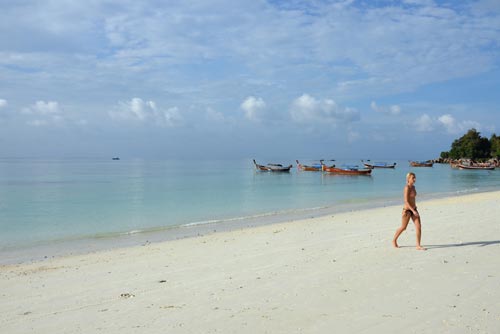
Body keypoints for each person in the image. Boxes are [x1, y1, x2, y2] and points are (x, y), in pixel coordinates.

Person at [392, 172, 426, 250]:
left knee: (419, 227)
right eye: (413, 178)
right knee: (403, 227)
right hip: (407, 210)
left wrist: (414, 209)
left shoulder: (413, 187)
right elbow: (406, 201)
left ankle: (418, 245)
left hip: (414, 209)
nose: (414, 179)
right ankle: (394, 240)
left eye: (415, 177)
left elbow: (413, 199)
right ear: (408, 179)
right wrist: (412, 211)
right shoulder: (407, 188)